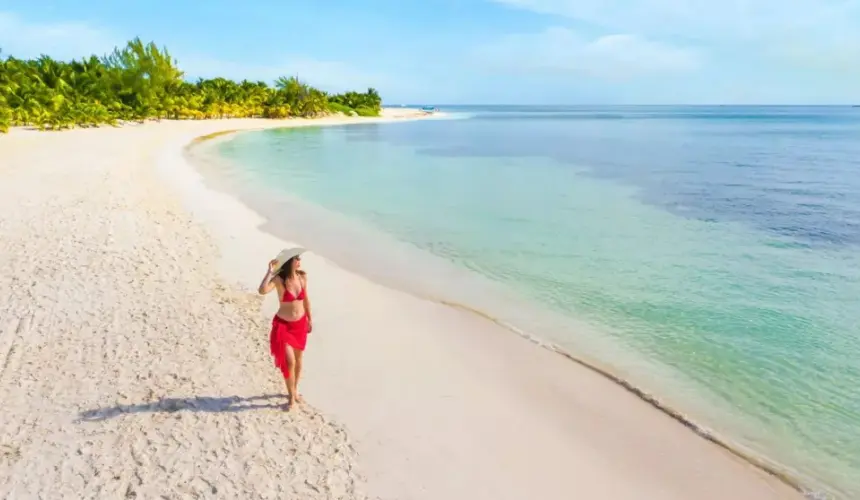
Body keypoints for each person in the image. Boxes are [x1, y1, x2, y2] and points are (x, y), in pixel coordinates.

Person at [257, 248, 313, 410]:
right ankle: (291, 398)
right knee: (290, 362)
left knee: (299, 360)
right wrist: (269, 272)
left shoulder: (302, 278)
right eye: (297, 259)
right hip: (284, 325)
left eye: (299, 259)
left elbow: (306, 300)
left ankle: (295, 391)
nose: (299, 261)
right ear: (290, 262)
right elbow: (262, 291)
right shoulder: (279, 280)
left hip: (300, 324)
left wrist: (309, 319)